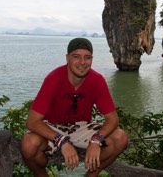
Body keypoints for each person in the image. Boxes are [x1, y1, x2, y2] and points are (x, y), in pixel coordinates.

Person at [21, 37, 128, 177]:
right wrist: (62, 141)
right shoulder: (53, 79)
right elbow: (32, 121)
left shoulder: (97, 80)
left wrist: (96, 140)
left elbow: (112, 119)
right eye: (76, 57)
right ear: (67, 58)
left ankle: (91, 174)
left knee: (120, 138)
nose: (82, 62)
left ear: (92, 59)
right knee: (29, 144)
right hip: (52, 126)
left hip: (82, 127)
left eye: (87, 57)